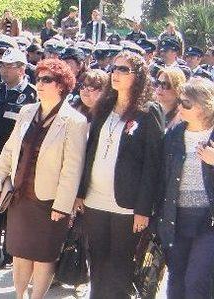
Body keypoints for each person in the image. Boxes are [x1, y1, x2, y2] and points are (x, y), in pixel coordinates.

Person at [0, 58, 88, 299]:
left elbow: (72, 168)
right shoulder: (27, 111)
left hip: (49, 201)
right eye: (38, 79)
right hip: (20, 195)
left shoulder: (75, 121)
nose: (40, 84)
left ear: (62, 85)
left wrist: (62, 205)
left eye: (47, 80)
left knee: (43, 257)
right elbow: (10, 148)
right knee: (20, 254)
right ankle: (19, 296)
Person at [75, 51, 163, 299]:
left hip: (127, 205)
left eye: (124, 69)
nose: (116, 73)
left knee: (120, 265)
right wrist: (80, 193)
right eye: (114, 68)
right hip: (94, 199)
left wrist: (144, 209)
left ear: (138, 76)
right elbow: (90, 152)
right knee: (98, 260)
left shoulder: (148, 111)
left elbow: (152, 165)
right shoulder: (103, 107)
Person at [0, 48, 36, 269]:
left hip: (17, 160)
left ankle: (10, 252)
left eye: (9, 66)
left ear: (22, 68)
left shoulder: (31, 94)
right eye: (1, 65)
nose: (3, 70)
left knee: (12, 208)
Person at [158, 77, 214, 299]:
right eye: (179, 101)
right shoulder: (173, 135)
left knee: (197, 279)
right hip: (176, 216)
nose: (179, 106)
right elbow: (161, 178)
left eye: (186, 103)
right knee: (176, 278)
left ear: (204, 106)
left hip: (208, 220)